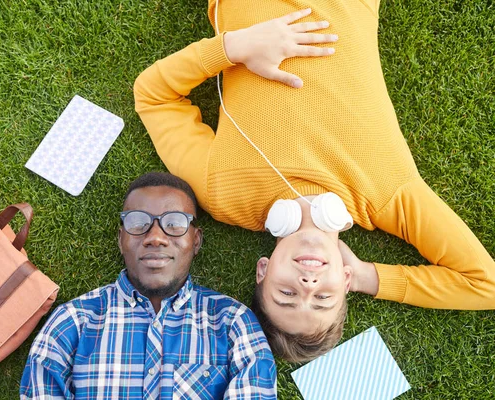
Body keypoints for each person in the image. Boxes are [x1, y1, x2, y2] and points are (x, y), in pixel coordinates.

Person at [133, 1, 495, 363]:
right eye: (324, 298)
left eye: (286, 294)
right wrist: (371, 277)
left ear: (263, 269)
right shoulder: (387, 196)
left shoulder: (222, 195)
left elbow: (152, 95)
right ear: (345, 279)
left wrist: (233, 47)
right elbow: (485, 285)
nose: (307, 285)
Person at [20, 172, 276, 399]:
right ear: (121, 240)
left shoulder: (233, 321)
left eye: (175, 223)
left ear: (195, 241)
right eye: (138, 223)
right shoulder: (72, 321)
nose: (155, 237)